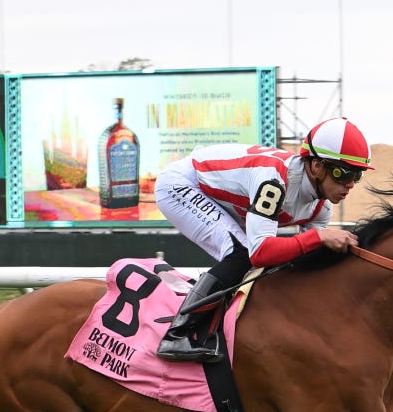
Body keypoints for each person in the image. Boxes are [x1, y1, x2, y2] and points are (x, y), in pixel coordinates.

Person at [154, 117, 373, 362]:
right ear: (315, 166)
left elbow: (305, 261)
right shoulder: (275, 181)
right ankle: (177, 334)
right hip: (182, 184)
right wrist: (319, 237)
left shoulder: (322, 208)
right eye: (343, 173)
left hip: (226, 198)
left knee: (264, 261)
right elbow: (260, 253)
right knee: (242, 253)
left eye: (357, 175)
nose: (350, 184)